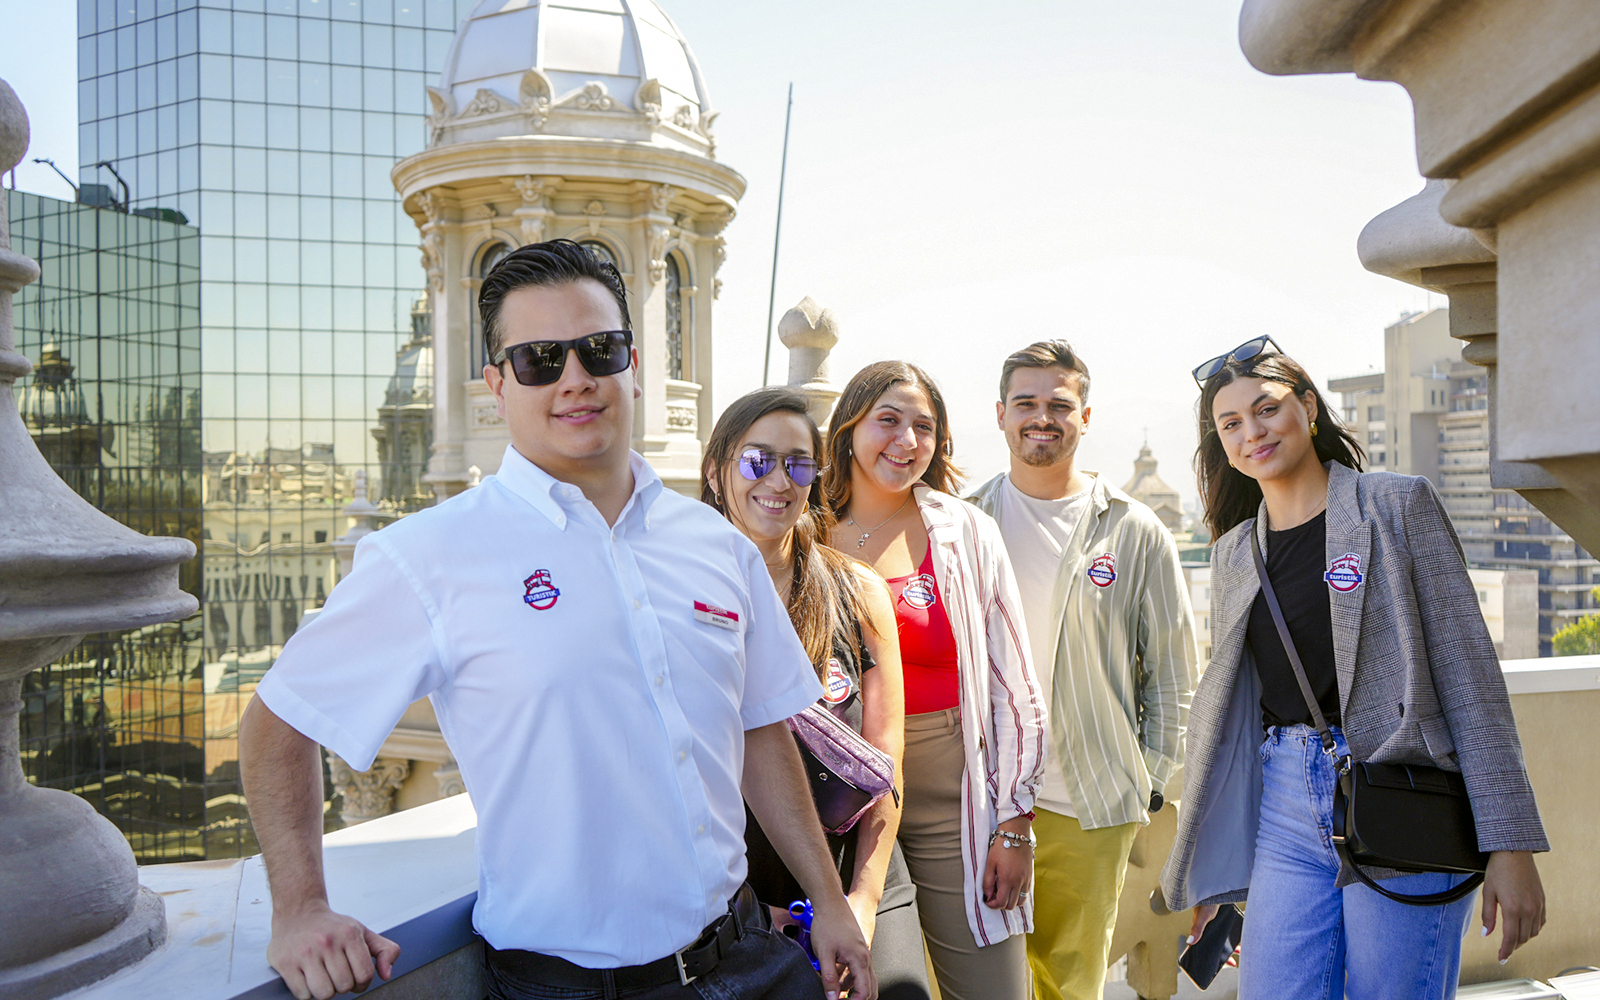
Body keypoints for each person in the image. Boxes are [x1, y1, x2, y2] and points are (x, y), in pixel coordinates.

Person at [237, 240, 876, 1000]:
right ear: (496, 383)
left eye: (599, 350)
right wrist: (300, 908)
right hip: (568, 988)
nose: (576, 379)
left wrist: (830, 901)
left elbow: (761, 730)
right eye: (540, 359)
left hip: (747, 958)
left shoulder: (714, 544)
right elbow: (279, 721)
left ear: (632, 364)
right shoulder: (428, 557)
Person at [1161, 337, 1547, 1000]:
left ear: (1307, 407)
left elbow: (1471, 680)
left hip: (1401, 794)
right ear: (1220, 444)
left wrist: (1510, 846)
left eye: (1267, 409)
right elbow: (1227, 723)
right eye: (1231, 423)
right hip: (1283, 801)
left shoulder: (1396, 506)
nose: (1252, 431)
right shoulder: (1232, 556)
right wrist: (1215, 874)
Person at [966, 341, 1197, 1000]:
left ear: (1086, 416)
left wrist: (1140, 785)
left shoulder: (1136, 531)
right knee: (975, 985)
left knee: (1071, 986)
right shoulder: (961, 522)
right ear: (1002, 415)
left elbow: (1177, 677)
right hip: (981, 804)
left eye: (1059, 405)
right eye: (1027, 404)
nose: (1042, 418)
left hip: (1089, 810)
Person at [821, 360, 1047, 1000]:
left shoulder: (965, 531)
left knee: (993, 989)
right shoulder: (803, 532)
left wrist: (1015, 824)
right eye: (887, 420)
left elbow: (1014, 683)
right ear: (848, 428)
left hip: (957, 793)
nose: (907, 440)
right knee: (879, 986)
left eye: (925, 426)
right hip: (846, 796)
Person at [700, 386, 931, 1000]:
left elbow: (887, 765)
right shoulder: (684, 601)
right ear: (716, 471)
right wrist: (748, 908)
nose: (779, 480)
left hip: (857, 868)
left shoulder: (857, 592)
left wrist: (860, 899)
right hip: (734, 902)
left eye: (800, 464)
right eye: (758, 461)